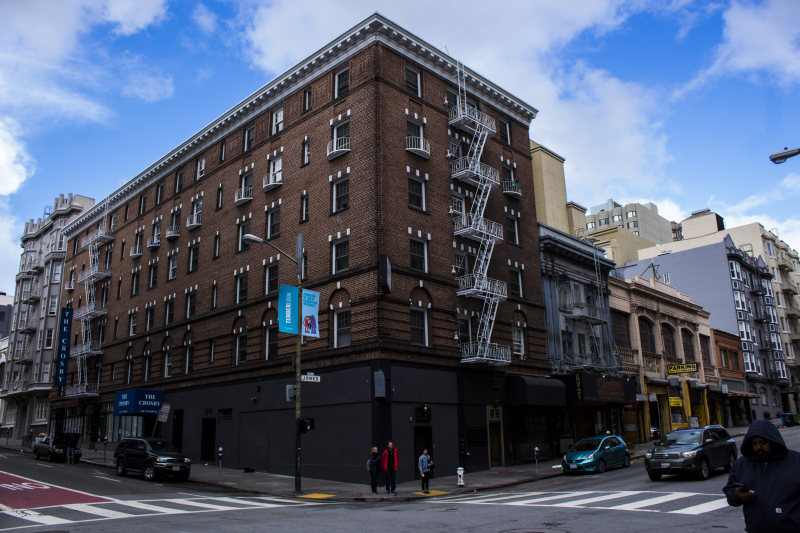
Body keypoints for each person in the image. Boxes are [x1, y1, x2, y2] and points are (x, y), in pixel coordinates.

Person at [723, 419, 800, 532]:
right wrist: (738, 495)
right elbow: (730, 494)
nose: (759, 447)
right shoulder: (741, 465)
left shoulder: (795, 461)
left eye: (763, 442)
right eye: (755, 443)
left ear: (772, 441)